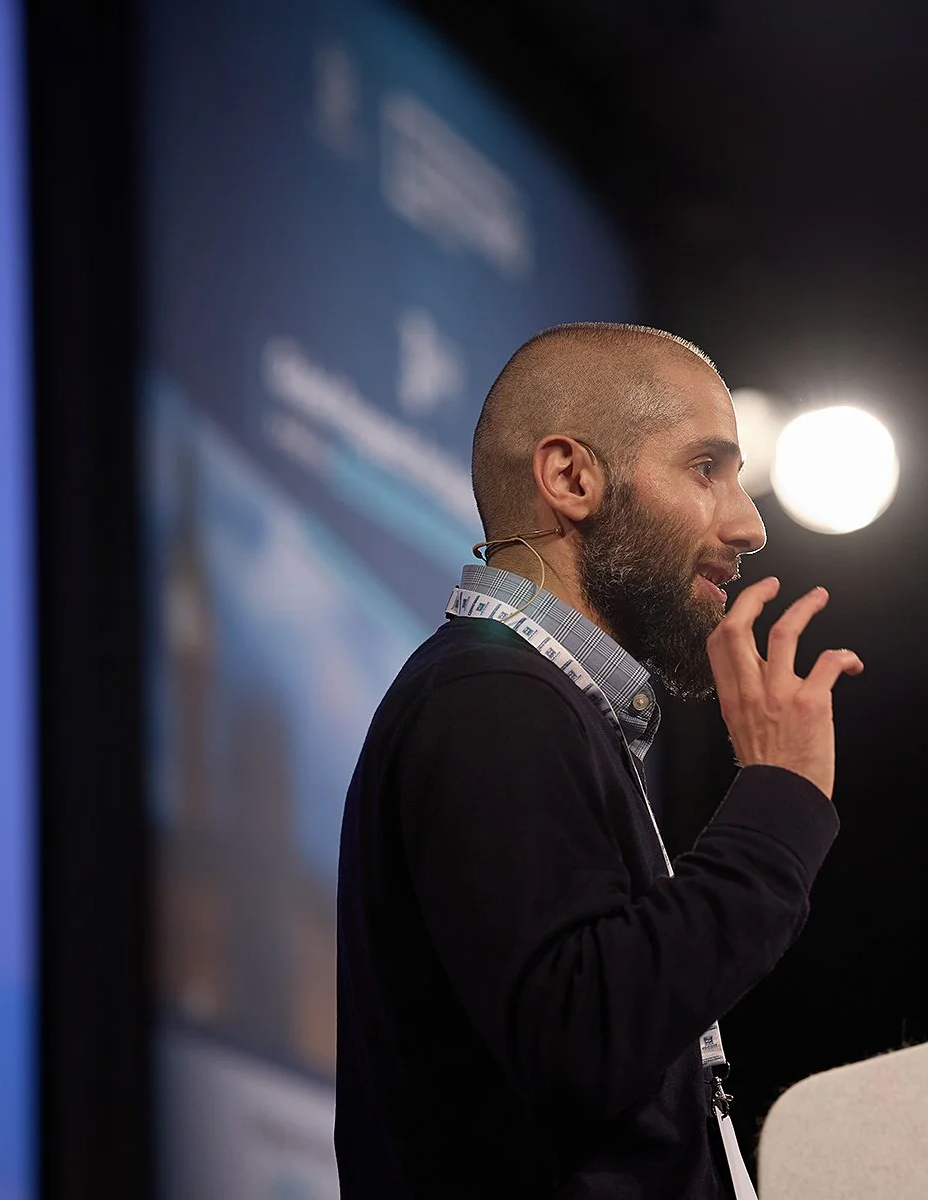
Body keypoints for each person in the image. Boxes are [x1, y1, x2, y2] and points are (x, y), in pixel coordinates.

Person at [335, 322, 863, 1198]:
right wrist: (777, 803)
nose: (751, 523)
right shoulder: (491, 702)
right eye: (707, 470)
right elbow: (583, 1038)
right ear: (571, 477)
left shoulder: (528, 700)